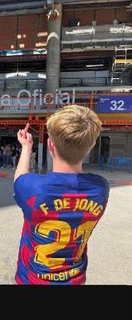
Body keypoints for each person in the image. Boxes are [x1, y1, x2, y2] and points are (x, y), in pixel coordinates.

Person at [13, 105, 110, 285]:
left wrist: (26, 148)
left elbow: (19, 178)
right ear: (91, 145)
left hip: (33, 279)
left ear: (50, 144)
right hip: (76, 279)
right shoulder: (101, 188)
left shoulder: (34, 188)